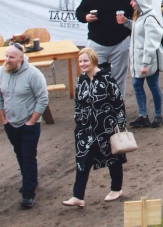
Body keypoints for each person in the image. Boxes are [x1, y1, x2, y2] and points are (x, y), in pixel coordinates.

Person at [62, 48, 127, 207]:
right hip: (85, 129)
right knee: (82, 159)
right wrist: (78, 121)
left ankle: (116, 189)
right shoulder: (81, 80)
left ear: (93, 60)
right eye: (80, 61)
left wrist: (121, 125)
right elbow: (78, 103)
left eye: (85, 61)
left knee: (113, 157)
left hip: (106, 127)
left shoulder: (107, 79)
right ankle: (78, 196)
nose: (82, 64)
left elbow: (118, 103)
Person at [0, 43, 49, 209]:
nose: (7, 60)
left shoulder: (34, 74)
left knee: (28, 156)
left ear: (21, 58)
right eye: (6, 56)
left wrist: (32, 121)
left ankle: (28, 193)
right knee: (20, 154)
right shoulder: (0, 72)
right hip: (10, 123)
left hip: (29, 125)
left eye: (11, 57)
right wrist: (3, 119)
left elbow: (43, 99)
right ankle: (30, 180)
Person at [76, 0, 133, 91]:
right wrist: (86, 17)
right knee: (94, 75)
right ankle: (97, 102)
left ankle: (118, 104)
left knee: (119, 76)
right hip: (97, 42)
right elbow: (79, 12)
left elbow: (134, 15)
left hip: (121, 42)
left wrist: (127, 24)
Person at [127, 0, 163, 129]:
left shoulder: (149, 18)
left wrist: (145, 63)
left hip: (148, 61)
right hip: (139, 60)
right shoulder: (140, 15)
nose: (131, 3)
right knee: (137, 85)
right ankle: (143, 115)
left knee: (153, 86)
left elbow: (151, 43)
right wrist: (126, 22)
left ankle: (158, 115)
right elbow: (139, 31)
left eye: (133, 0)